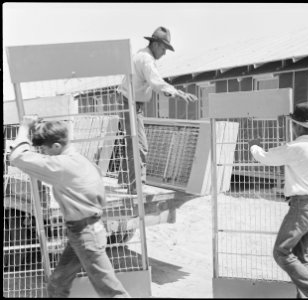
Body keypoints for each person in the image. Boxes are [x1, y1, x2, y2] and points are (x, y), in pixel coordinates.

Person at [9, 116, 130, 298]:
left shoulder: (63, 165)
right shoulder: (79, 159)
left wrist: (25, 127)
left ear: (56, 146)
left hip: (85, 235)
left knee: (112, 292)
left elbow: (17, 157)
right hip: (85, 231)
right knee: (57, 284)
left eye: (44, 149)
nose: (43, 153)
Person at [250, 102, 308, 298]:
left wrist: (253, 146)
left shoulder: (295, 147)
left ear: (296, 125)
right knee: (300, 257)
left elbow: (266, 157)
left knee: (281, 252)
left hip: (301, 205)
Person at [117, 26, 198, 194]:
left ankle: (126, 181)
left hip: (130, 101)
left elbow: (156, 84)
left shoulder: (142, 55)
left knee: (132, 142)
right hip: (130, 103)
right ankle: (136, 188)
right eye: (163, 48)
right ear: (154, 44)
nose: (164, 53)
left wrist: (175, 92)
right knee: (140, 146)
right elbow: (156, 82)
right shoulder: (146, 59)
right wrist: (176, 92)